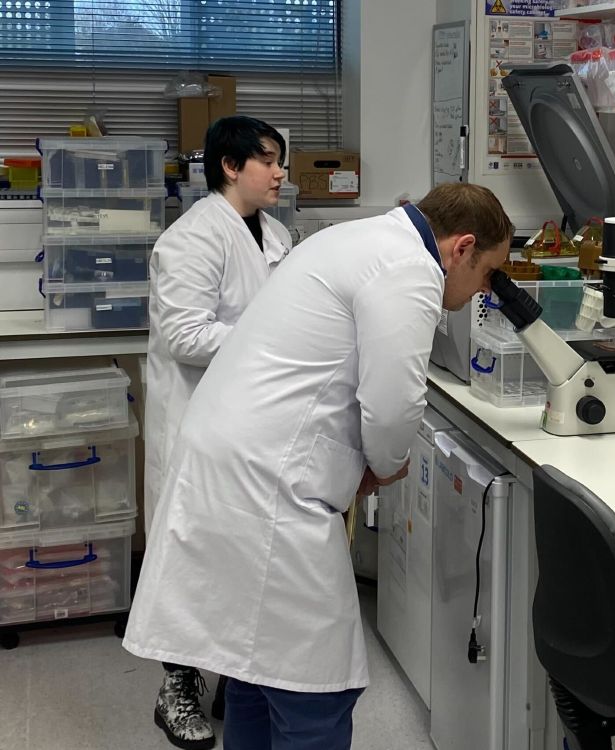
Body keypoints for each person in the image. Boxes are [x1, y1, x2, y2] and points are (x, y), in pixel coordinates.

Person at [123, 182, 513, 750]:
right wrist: (386, 465)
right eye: (488, 273)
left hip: (230, 462)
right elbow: (392, 406)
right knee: (314, 692)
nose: (484, 289)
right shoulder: (409, 268)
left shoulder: (356, 240)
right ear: (462, 248)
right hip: (267, 485)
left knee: (254, 672)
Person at [143, 115, 292, 750]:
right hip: (197, 420)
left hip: (250, 422)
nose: (281, 171)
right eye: (268, 160)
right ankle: (175, 684)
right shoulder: (191, 239)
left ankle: (236, 671)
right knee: (191, 554)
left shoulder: (277, 233)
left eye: (281, 161)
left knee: (240, 551)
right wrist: (271, 344)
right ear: (230, 166)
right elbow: (185, 336)